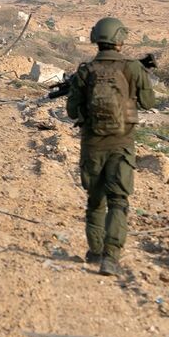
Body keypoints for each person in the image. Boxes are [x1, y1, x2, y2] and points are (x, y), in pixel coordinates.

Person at [66, 17, 156, 277]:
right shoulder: (133, 68)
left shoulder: (85, 71)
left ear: (96, 38)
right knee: (118, 200)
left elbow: (72, 111)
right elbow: (149, 103)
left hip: (92, 144)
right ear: (120, 39)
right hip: (122, 144)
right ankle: (111, 258)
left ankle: (95, 252)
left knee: (95, 201)